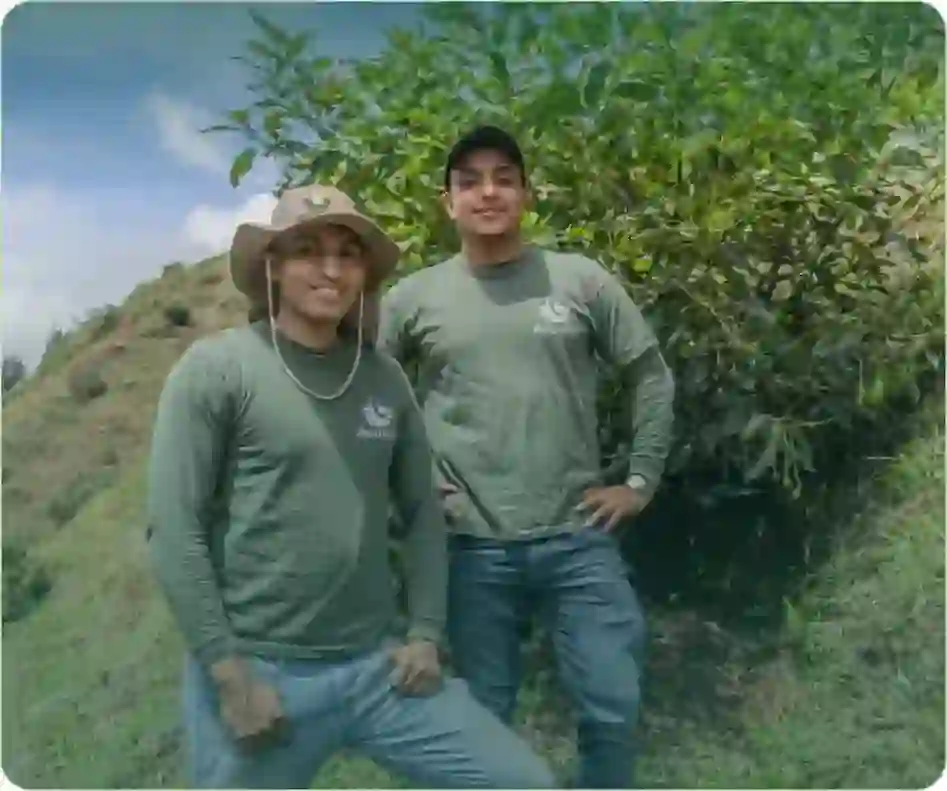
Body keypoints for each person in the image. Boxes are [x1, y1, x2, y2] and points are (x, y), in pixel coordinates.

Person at [145, 185, 556, 790]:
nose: (331, 269)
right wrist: (229, 677)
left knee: (522, 782)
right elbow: (172, 531)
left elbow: (421, 511)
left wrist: (424, 633)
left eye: (348, 253)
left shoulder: (382, 377)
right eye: (309, 250)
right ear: (274, 266)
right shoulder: (218, 371)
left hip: (378, 670)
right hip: (264, 676)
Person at [377, 126, 676, 788]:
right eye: (469, 180)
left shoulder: (579, 279)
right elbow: (368, 405)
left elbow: (649, 374)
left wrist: (638, 479)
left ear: (526, 194)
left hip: (579, 535)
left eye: (503, 176)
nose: (488, 191)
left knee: (613, 698)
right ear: (447, 201)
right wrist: (415, 489)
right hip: (469, 547)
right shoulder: (411, 300)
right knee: (484, 719)